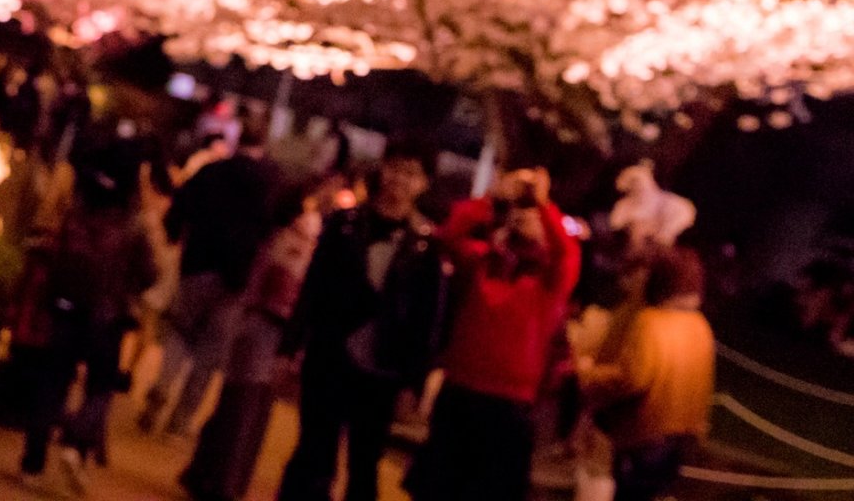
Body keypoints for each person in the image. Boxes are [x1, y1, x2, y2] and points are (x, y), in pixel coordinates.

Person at [271, 149, 446, 501]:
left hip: (381, 368)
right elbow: (314, 286)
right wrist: (291, 344)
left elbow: (428, 318)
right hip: (330, 354)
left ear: (423, 183)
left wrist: (414, 380)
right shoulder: (345, 224)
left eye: (411, 173)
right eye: (395, 169)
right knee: (314, 452)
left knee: (364, 463)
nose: (399, 180)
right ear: (382, 170)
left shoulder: (426, 245)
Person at [406, 167, 581, 501]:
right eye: (519, 214)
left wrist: (543, 206)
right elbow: (449, 236)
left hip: (509, 405)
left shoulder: (549, 280)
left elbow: (567, 253)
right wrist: (493, 197)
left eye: (532, 217)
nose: (523, 220)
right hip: (460, 390)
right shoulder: (482, 260)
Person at [15, 149, 158, 492]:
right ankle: (75, 441)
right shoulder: (133, 222)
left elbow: (52, 253)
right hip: (106, 319)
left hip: (65, 308)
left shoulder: (75, 213)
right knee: (101, 388)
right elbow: (150, 273)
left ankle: (32, 465)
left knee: (52, 383)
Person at [138, 114, 278, 439]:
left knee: (179, 331)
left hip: (197, 265)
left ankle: (161, 385)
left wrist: (175, 235)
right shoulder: (268, 184)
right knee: (209, 351)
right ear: (263, 144)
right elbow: (270, 231)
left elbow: (180, 205)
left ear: (238, 140)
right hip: (234, 279)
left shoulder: (212, 171)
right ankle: (181, 419)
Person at [180, 187, 322, 501]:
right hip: (266, 326)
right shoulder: (290, 241)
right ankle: (222, 483)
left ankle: (208, 473)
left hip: (263, 325)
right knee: (244, 406)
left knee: (243, 403)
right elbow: (283, 290)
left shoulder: (280, 238)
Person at [579, 248, 714, 501]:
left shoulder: (651, 321)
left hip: (646, 435)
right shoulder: (699, 325)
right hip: (682, 434)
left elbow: (632, 378)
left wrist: (589, 374)